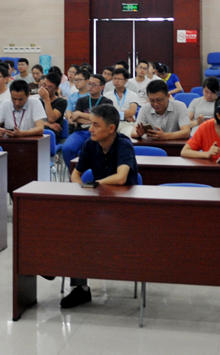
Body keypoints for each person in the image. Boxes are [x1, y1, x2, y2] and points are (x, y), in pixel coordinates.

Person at [62, 104, 138, 309]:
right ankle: (78, 286)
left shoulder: (123, 144)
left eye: (96, 125)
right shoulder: (90, 144)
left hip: (125, 209)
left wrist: (94, 185)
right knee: (70, 227)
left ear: (111, 128)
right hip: (98, 207)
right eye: (90, 124)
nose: (90, 129)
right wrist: (81, 190)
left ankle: (55, 265)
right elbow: (76, 174)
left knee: (83, 231)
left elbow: (121, 178)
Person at [61, 74, 113, 164]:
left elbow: (103, 121)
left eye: (94, 84)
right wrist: (94, 120)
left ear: (102, 87)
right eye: (89, 84)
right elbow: (75, 118)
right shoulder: (81, 100)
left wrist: (80, 114)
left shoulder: (107, 102)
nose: (90, 87)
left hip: (98, 133)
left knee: (91, 151)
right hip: (80, 132)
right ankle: (74, 172)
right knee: (66, 148)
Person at [103, 67, 139, 133]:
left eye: (119, 79)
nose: (116, 81)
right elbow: (107, 113)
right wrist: (124, 116)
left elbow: (132, 112)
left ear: (126, 80)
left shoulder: (132, 94)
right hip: (111, 123)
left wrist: (114, 114)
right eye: (114, 78)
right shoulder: (107, 95)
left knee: (128, 133)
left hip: (127, 124)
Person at [37, 73, 69, 145]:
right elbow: (32, 121)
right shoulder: (38, 101)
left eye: (50, 87)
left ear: (56, 89)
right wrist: (47, 124)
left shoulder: (61, 102)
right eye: (44, 85)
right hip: (40, 128)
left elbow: (51, 119)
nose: (45, 88)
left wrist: (46, 100)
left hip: (52, 133)